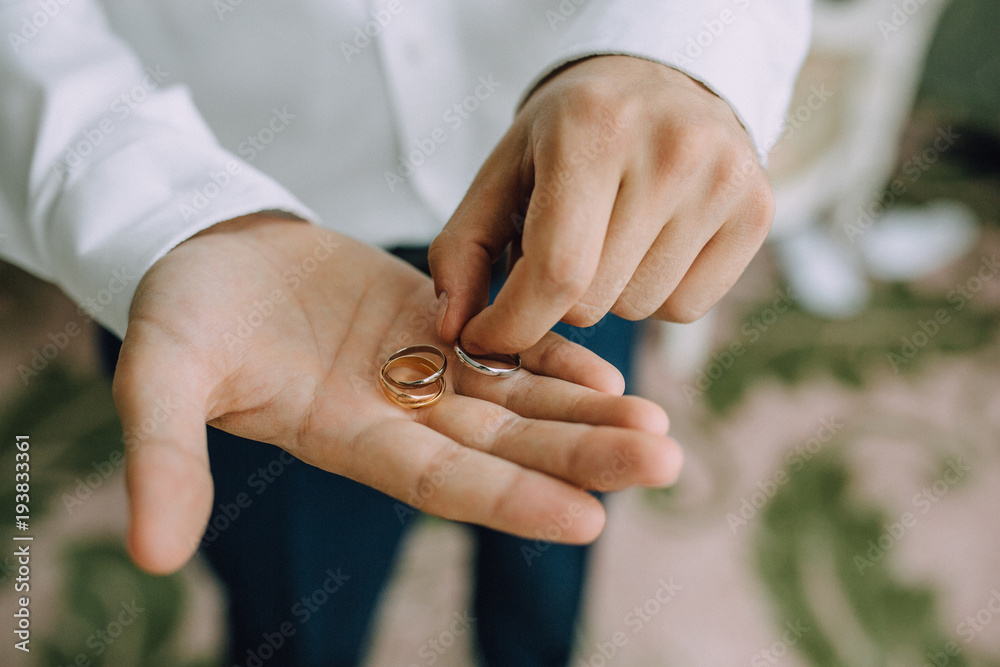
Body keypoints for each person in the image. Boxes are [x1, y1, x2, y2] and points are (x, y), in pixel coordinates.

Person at [1, 1, 810, 665]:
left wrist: (673, 52)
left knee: (556, 527)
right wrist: (147, 205)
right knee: (296, 610)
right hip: (239, 228)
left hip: (578, 203)